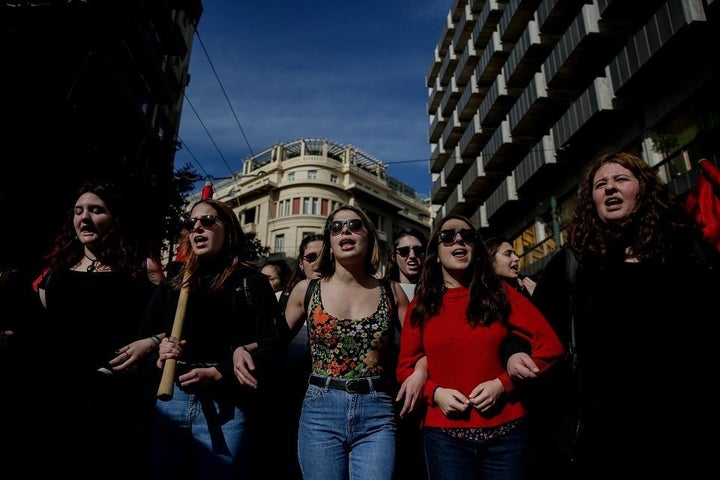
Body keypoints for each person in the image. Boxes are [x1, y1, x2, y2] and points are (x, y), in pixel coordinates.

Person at [504, 151, 720, 478]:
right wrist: (513, 352)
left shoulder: (687, 250)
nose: (610, 189)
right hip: (604, 436)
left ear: (643, 189)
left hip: (688, 427)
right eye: (600, 184)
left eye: (621, 180)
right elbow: (526, 326)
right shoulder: (573, 264)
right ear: (591, 199)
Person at [396, 214, 564, 480]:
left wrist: (504, 384)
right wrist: (435, 393)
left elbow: (550, 348)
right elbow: (405, 367)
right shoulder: (422, 304)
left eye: (467, 235)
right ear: (436, 254)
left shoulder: (499, 292)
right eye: (448, 236)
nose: (459, 239)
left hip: (507, 435)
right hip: (444, 438)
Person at [265, 205, 424, 479]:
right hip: (320, 410)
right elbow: (271, 340)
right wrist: (239, 351)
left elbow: (422, 344)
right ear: (330, 241)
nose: (345, 231)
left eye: (354, 225)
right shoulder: (307, 289)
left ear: (369, 237)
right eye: (336, 228)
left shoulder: (392, 291)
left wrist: (420, 372)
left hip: (377, 413)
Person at [142, 198, 281, 480]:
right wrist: (159, 356)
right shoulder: (174, 282)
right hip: (172, 401)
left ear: (227, 230)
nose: (197, 229)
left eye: (207, 221)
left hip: (227, 408)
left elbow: (272, 347)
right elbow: (146, 340)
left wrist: (220, 373)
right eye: (190, 224)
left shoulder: (250, 282)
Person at [31, 181, 162, 477]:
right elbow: (41, 333)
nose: (84, 218)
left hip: (113, 397)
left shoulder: (143, 269)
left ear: (115, 218)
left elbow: (170, 326)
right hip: (57, 395)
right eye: (78, 211)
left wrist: (150, 342)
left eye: (96, 210)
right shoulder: (56, 273)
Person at [384, 228, 428, 480]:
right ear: (394, 256)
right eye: (404, 251)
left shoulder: (437, 291)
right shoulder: (383, 290)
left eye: (418, 250)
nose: (412, 256)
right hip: (392, 387)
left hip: (430, 386)